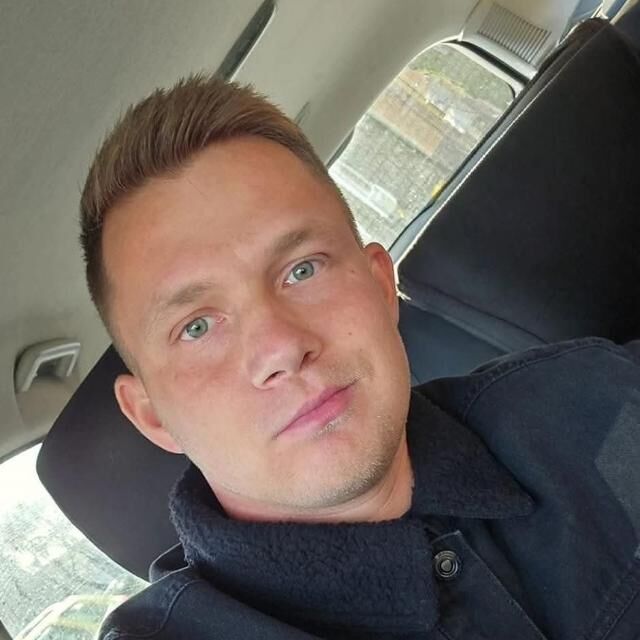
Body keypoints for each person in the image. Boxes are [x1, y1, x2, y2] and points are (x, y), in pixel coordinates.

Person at [79, 75, 640, 639]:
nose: (281, 347)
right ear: (152, 415)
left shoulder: (590, 397)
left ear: (380, 285)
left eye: (302, 269)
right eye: (197, 327)